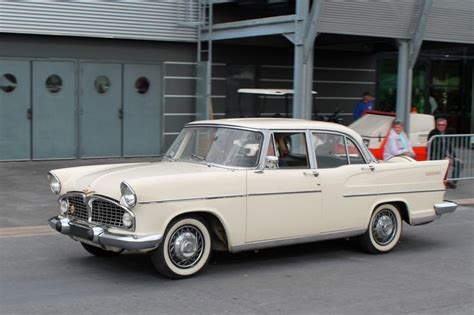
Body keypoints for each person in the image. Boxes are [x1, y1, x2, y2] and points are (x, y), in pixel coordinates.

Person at [428, 118, 461, 188]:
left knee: (458, 163)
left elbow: (449, 146)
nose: (441, 126)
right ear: (436, 125)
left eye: (443, 125)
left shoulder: (446, 133)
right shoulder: (433, 133)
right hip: (435, 156)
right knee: (446, 163)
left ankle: (452, 181)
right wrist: (444, 157)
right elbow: (435, 148)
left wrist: (454, 157)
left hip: (444, 156)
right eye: (439, 125)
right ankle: (441, 182)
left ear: (446, 125)